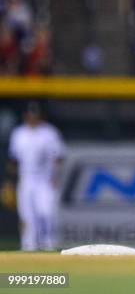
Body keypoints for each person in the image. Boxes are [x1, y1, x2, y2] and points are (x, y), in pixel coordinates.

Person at [7, 102, 64, 251]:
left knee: (46, 213)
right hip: (25, 180)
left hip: (45, 180)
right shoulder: (18, 133)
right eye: (30, 115)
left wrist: (55, 177)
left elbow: (58, 157)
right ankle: (28, 247)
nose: (32, 118)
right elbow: (13, 160)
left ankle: (49, 245)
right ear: (25, 115)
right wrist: (10, 183)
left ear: (40, 116)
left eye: (35, 115)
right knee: (27, 217)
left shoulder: (49, 132)